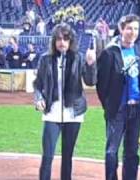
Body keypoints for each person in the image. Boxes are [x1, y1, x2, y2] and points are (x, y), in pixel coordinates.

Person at [33, 23, 97, 180]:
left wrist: (91, 64)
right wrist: (39, 98)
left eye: (66, 39)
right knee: (47, 156)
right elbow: (38, 84)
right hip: (52, 113)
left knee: (67, 157)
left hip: (73, 113)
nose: (62, 42)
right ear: (54, 41)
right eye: (59, 39)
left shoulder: (79, 58)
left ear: (71, 41)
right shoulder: (45, 59)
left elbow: (90, 81)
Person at [96, 14, 140, 180]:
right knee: (112, 151)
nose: (133, 32)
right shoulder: (109, 52)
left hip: (136, 109)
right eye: (130, 28)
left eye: (136, 28)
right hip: (117, 109)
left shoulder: (139, 50)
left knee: (132, 152)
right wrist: (110, 105)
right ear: (121, 29)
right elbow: (101, 85)